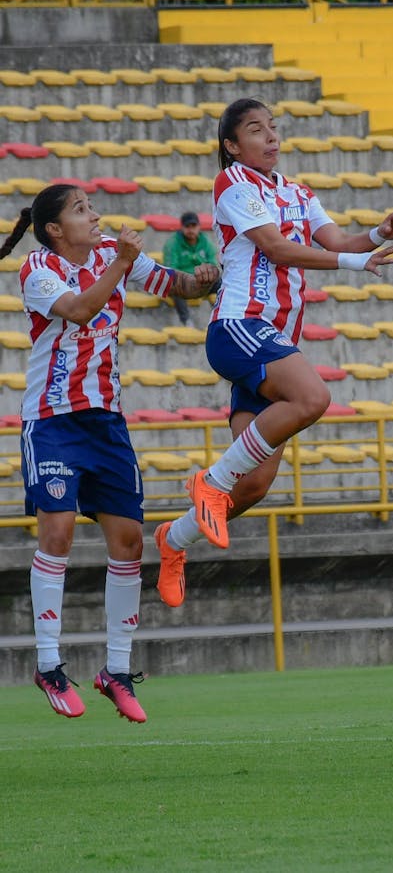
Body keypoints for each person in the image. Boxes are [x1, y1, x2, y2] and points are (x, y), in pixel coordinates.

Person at [154, 97, 393, 607]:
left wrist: (378, 234)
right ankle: (207, 483)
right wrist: (352, 262)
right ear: (232, 146)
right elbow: (276, 249)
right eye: (256, 130)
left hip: (275, 341)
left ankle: (174, 539)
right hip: (240, 326)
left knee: (252, 487)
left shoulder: (297, 192)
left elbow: (338, 237)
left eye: (273, 128)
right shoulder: (234, 183)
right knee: (313, 398)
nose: (271, 137)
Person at [0, 183, 220, 721]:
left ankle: (115, 672)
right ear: (54, 229)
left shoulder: (109, 256)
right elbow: (78, 309)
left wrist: (203, 280)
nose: (94, 215)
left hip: (106, 423)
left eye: (91, 206)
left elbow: (174, 283)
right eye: (80, 210)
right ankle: (50, 665)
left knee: (127, 543)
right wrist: (122, 263)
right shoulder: (37, 268)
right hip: (52, 421)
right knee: (58, 531)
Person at [162, 211, 219, 326]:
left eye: (194, 226)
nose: (191, 230)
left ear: (199, 227)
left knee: (222, 284)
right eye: (187, 226)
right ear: (182, 228)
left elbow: (213, 264)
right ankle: (186, 321)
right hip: (183, 280)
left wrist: (205, 276)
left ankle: (222, 316)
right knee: (175, 285)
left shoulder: (206, 242)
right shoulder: (173, 243)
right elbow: (170, 268)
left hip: (202, 280)